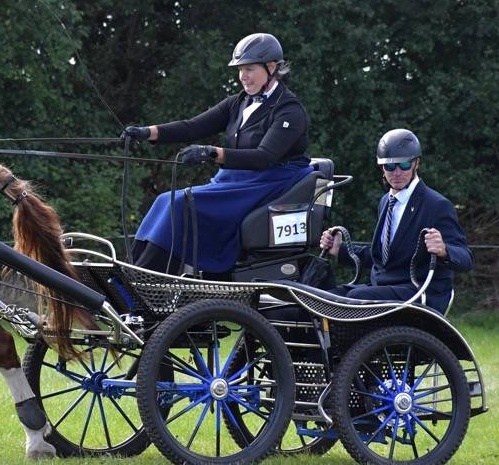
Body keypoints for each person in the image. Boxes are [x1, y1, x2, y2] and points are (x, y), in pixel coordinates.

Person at [122, 33, 312, 273]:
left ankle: (147, 277)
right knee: (164, 200)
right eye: (240, 70)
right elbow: (193, 127)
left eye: (249, 69)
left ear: (272, 67)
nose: (243, 76)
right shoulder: (238, 102)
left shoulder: (289, 110)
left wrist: (212, 153)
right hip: (235, 180)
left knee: (180, 204)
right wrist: (147, 132)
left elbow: (264, 157)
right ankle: (133, 270)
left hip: (268, 183)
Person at [319, 129, 474, 314]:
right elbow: (383, 259)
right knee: (324, 296)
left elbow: (466, 259)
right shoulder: (386, 201)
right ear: (382, 168)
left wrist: (444, 250)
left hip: (417, 291)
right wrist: (340, 249)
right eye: (390, 167)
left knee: (355, 298)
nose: (397, 173)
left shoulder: (437, 205)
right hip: (383, 289)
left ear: (416, 163)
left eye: (404, 165)